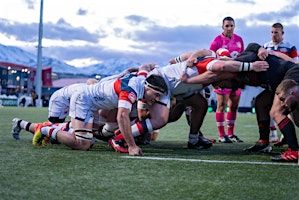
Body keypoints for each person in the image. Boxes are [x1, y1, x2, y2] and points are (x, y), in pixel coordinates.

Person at [182, 43, 298, 162]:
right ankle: (263, 142)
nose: (222, 88)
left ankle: (294, 151)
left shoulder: (239, 64)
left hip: (292, 74)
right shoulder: (239, 75)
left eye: (220, 84)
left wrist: (260, 49)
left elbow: (250, 46)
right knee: (260, 103)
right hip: (278, 82)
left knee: (277, 112)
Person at [32, 73, 168, 156]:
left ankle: (47, 128)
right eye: (156, 95)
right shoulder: (131, 90)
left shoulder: (140, 82)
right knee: (82, 144)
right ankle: (45, 129)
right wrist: (132, 145)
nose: (156, 99)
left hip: (92, 104)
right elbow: (121, 116)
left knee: (91, 140)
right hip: (84, 100)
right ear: (147, 87)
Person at [209, 16, 245, 143]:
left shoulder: (239, 39)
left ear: (234, 26)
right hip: (222, 79)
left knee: (234, 106)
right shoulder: (217, 41)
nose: (229, 28)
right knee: (222, 105)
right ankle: (221, 135)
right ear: (222, 27)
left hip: (236, 78)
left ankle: (230, 134)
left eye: (231, 26)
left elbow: (242, 57)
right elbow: (210, 58)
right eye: (227, 26)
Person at [263, 22, 298, 144]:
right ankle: (273, 135)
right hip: (272, 82)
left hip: (286, 82)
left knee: (286, 109)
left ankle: (286, 138)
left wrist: (278, 54)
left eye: (276, 32)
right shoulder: (266, 46)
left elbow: (295, 63)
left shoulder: (290, 46)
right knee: (271, 108)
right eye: (272, 32)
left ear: (282, 33)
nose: (273, 35)